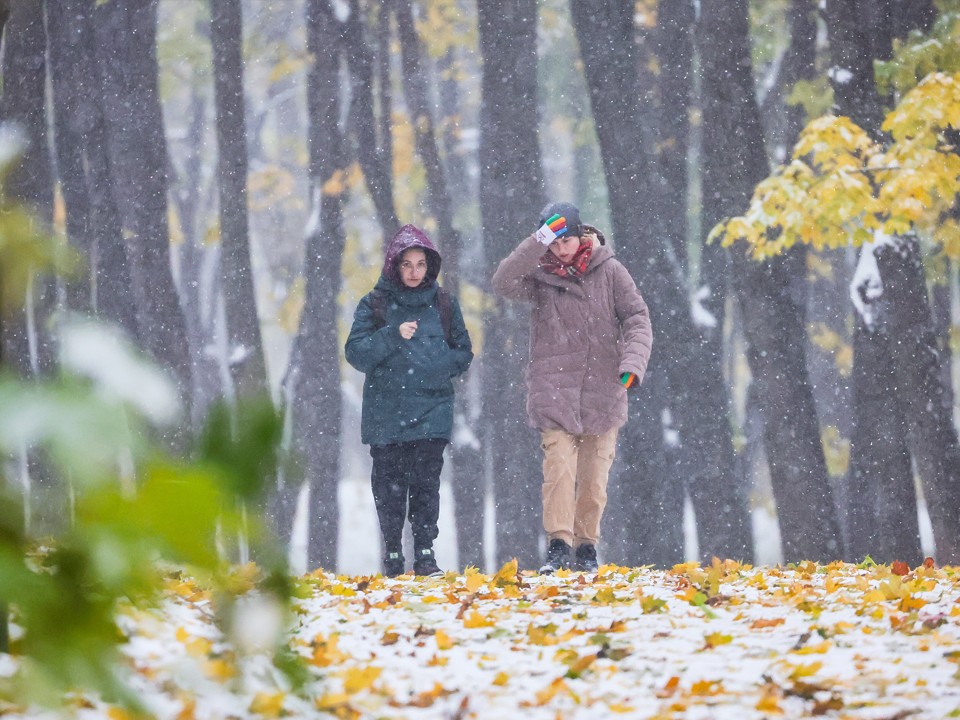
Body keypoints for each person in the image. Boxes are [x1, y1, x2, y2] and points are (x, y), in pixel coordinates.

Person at [491, 202, 652, 574]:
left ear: (582, 236)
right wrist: (538, 238)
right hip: (554, 390)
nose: (560, 250)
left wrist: (632, 364)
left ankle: (587, 548)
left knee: (595, 478)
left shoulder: (611, 271)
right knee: (559, 468)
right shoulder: (539, 278)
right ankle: (559, 546)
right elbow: (502, 281)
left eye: (566, 240)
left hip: (605, 390)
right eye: (553, 242)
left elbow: (637, 317)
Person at [345, 224, 473, 577]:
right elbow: (355, 353)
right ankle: (392, 554)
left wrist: (437, 367)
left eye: (420, 264)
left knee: (426, 486)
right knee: (388, 491)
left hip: (432, 411)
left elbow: (463, 351)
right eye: (407, 264)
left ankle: (426, 554)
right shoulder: (375, 304)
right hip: (386, 413)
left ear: (430, 266)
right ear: (394, 266)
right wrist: (390, 335)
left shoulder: (445, 303)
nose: (415, 272)